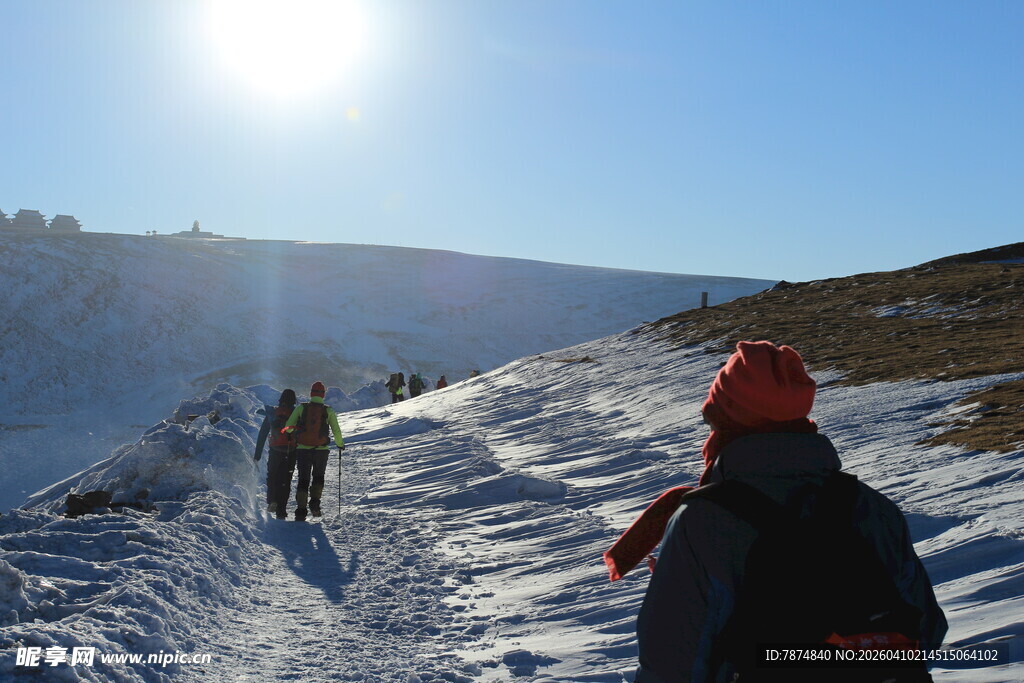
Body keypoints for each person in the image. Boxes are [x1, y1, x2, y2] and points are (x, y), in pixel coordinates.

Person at [615, 341, 946, 682]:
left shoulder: (703, 519)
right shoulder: (870, 504)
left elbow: (673, 658)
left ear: (724, 419)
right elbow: (925, 629)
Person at [282, 381, 344, 521]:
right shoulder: (328, 410)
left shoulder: (301, 408)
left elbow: (288, 427)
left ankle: (301, 511)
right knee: (318, 477)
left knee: (303, 479)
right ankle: (315, 503)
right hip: (321, 450)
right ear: (323, 395)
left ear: (311, 393)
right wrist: (340, 444)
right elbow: (336, 431)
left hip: (303, 449)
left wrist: (293, 431)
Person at [253, 389, 298, 519]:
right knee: (286, 479)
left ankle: (272, 500)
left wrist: (257, 455)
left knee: (272, 476)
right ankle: (282, 510)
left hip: (275, 450)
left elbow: (262, 434)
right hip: (291, 451)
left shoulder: (272, 413)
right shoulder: (296, 413)